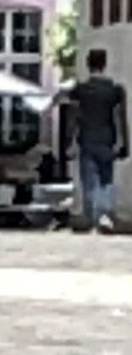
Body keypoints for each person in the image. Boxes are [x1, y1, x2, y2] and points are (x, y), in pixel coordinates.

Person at [62, 49, 129, 233]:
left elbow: (73, 118)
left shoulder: (80, 91)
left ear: (88, 64)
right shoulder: (115, 91)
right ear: (104, 64)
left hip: (87, 140)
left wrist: (68, 142)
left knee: (89, 181)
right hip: (108, 141)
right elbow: (120, 118)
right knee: (106, 179)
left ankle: (92, 217)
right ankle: (105, 214)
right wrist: (125, 144)